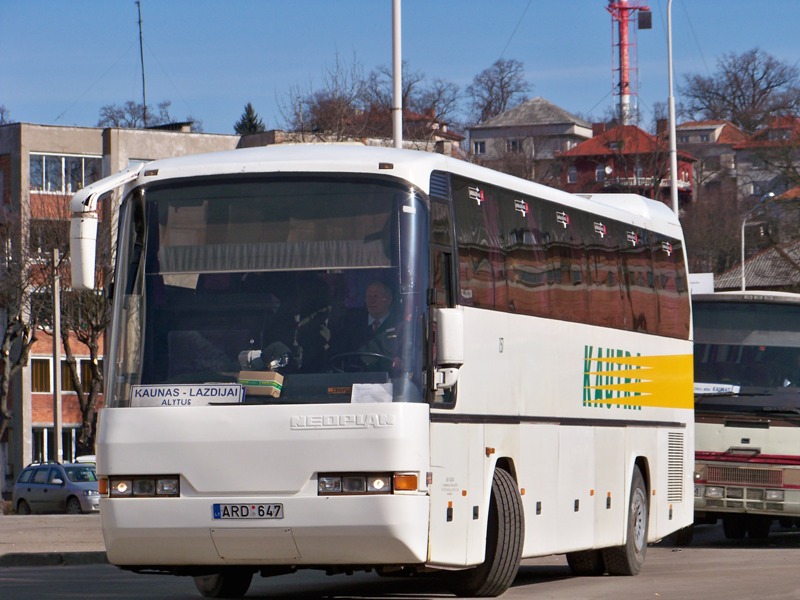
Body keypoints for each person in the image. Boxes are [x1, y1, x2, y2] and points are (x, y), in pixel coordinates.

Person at [331, 281, 400, 371]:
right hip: (355, 380)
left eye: (376, 296)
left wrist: (400, 362)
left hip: (390, 381)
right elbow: (338, 355)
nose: (371, 301)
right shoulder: (351, 326)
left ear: (388, 299)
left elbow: (407, 357)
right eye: (368, 297)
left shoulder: (401, 326)